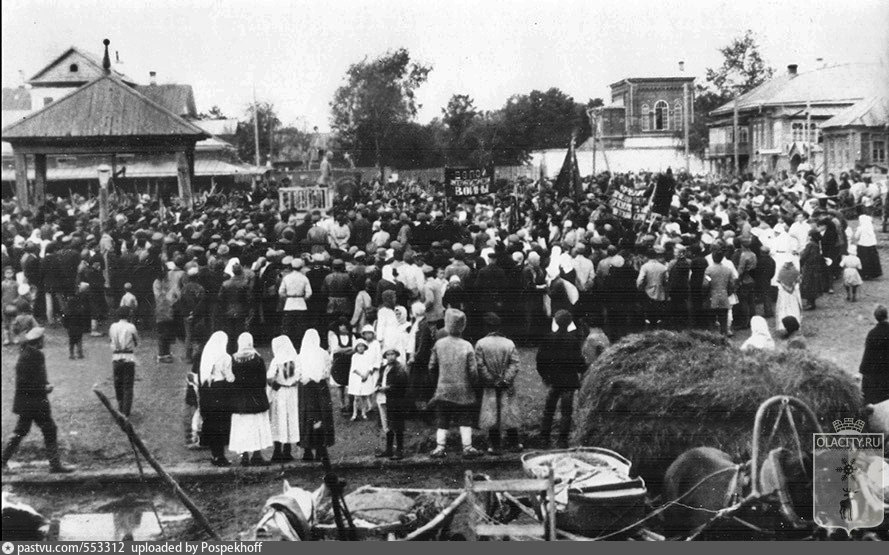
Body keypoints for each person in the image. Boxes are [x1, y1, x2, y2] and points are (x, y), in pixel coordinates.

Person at [2, 327, 74, 473]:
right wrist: (44, 388)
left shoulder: (31, 354)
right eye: (42, 339)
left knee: (23, 431)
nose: (44, 341)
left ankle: (2, 461)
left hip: (29, 403)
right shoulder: (30, 356)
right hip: (34, 403)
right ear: (38, 341)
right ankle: (55, 465)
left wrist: (45, 384)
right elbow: (25, 383)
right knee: (47, 429)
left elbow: (37, 377)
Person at [428, 308, 481, 459]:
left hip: (443, 388)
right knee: (465, 419)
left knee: (442, 419)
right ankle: (467, 447)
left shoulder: (439, 344)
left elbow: (431, 367)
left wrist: (436, 383)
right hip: (463, 389)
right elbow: (473, 371)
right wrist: (474, 384)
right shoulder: (467, 345)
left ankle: (440, 447)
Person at [537, 310, 587, 449]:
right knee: (566, 412)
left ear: (556, 321)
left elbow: (540, 359)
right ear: (569, 322)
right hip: (569, 381)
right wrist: (583, 369)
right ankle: (562, 440)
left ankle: (544, 439)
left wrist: (545, 376)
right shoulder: (573, 340)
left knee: (549, 410)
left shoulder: (548, 338)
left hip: (553, 380)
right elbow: (579, 361)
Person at [475, 313, 522, 455]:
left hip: (490, 385)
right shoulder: (509, 343)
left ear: (486, 327)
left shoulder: (481, 344)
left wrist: (491, 379)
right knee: (509, 412)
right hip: (506, 384)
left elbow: (480, 365)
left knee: (492, 412)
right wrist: (506, 379)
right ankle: (513, 443)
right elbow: (514, 364)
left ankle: (494, 445)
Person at [229, 332, 272, 467]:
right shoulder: (257, 359)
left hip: (240, 400)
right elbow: (262, 380)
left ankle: (244, 456)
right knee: (256, 425)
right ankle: (257, 455)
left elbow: (231, 379)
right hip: (255, 398)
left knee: (242, 427)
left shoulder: (233, 359)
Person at [297, 329, 335, 462]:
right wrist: (316, 377)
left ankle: (313, 449)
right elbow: (327, 370)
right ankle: (317, 449)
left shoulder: (302, 355)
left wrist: (309, 377)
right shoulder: (321, 353)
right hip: (317, 388)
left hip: (311, 388)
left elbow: (299, 373)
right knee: (317, 416)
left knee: (311, 416)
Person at [199, 331, 234, 467]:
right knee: (221, 423)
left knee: (212, 422)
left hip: (209, 389)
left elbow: (204, 375)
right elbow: (229, 376)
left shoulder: (207, 355)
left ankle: (215, 454)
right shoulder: (225, 357)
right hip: (222, 389)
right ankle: (221, 456)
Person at [267, 335, 300, 463]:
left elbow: (270, 377)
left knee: (278, 419)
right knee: (290, 419)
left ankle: (277, 451)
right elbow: (299, 375)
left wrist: (275, 384)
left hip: (280, 392)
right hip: (292, 391)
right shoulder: (296, 359)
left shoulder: (276, 360)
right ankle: (287, 451)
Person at [375, 348, 409, 460]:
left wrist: (388, 388)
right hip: (382, 398)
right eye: (388, 354)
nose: (390, 356)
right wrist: (378, 386)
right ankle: (389, 449)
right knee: (386, 425)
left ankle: (399, 450)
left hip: (395, 399)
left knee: (397, 425)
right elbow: (380, 380)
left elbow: (401, 385)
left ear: (396, 355)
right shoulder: (384, 368)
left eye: (392, 354)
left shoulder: (399, 368)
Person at [108, 307, 139, 417]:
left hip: (116, 358)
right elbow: (136, 342)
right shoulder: (131, 327)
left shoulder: (113, 327)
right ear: (129, 315)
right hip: (128, 357)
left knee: (118, 384)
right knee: (128, 386)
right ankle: (126, 412)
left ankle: (120, 406)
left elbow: (110, 340)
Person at [279, 257, 312, 348]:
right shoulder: (304, 278)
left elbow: (281, 291)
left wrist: (287, 298)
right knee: (300, 327)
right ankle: (299, 346)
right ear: (301, 267)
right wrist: (303, 299)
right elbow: (309, 293)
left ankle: (289, 346)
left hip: (289, 304)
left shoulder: (287, 277)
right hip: (301, 305)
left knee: (288, 327)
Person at [859, 304, 889, 405]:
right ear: (887, 316)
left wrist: (863, 370)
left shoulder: (872, 333)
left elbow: (868, 355)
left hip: (876, 374)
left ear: (876, 318)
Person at [704, 251, 734, 336]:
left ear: (713, 258)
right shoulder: (727, 270)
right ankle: (724, 335)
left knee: (712, 319)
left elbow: (706, 284)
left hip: (712, 296)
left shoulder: (709, 270)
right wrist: (728, 292)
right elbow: (731, 283)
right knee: (723, 318)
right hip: (724, 295)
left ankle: (713, 337)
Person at [328, 318, 355, 414]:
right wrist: (348, 348)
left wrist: (344, 350)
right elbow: (336, 349)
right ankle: (342, 405)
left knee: (351, 385)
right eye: (340, 325)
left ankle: (351, 405)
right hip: (339, 364)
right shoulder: (335, 337)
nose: (342, 327)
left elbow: (355, 349)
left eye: (344, 324)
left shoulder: (352, 337)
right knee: (340, 386)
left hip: (349, 363)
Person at [348, 339, 378, 421]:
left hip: (366, 377)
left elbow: (370, 366)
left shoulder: (368, 355)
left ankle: (363, 413)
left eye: (362, 346)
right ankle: (354, 414)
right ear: (356, 348)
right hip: (357, 377)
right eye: (359, 346)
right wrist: (361, 375)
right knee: (356, 397)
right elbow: (354, 368)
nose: (360, 348)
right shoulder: (354, 356)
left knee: (364, 396)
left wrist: (366, 375)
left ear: (365, 347)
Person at [63, 282, 91, 359]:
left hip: (71, 329)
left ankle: (71, 354)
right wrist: (83, 326)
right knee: (79, 341)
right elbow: (83, 319)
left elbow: (65, 320)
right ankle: (80, 353)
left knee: (71, 342)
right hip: (79, 328)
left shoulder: (67, 312)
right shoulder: (79, 311)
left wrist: (66, 326)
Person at [774, 261, 802, 336]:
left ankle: (783, 325)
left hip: (783, 293)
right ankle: (795, 323)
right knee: (793, 308)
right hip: (793, 293)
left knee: (783, 308)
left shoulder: (781, 272)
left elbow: (778, 281)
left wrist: (784, 285)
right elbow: (799, 280)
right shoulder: (795, 271)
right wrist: (793, 284)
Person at [799, 231, 824, 310]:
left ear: (811, 236)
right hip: (815, 267)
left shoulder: (810, 245)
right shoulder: (816, 244)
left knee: (809, 284)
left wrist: (800, 262)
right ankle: (811, 302)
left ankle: (810, 303)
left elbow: (805, 256)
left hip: (809, 268)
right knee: (813, 284)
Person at [855, 210, 882, 280]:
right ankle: (873, 273)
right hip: (871, 245)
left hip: (862, 245)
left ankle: (864, 274)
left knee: (863, 261)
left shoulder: (860, 228)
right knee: (872, 260)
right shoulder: (871, 227)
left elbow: (856, 237)